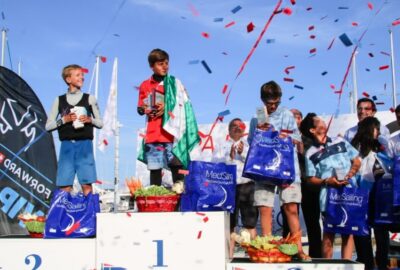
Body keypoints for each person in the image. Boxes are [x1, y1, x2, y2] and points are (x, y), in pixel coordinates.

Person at [248, 81, 310, 261]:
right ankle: (267, 247)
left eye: (276, 102)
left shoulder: (288, 115)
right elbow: (252, 143)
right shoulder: (256, 117)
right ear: (262, 99)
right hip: (263, 168)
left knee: (291, 208)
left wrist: (286, 137)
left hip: (287, 168)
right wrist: (260, 132)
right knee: (265, 208)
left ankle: (298, 249)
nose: (273, 106)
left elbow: (298, 142)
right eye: (269, 103)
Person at [137, 48, 199, 190]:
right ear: (151, 66)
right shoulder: (145, 85)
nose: (165, 66)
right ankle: (157, 196)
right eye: (160, 64)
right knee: (155, 168)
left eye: (166, 63)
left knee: (177, 165)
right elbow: (140, 109)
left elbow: (184, 103)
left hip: (172, 134)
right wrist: (147, 109)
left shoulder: (174, 83)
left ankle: (180, 194)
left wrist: (167, 106)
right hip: (153, 135)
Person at [302, 113, 361, 259]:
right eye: (319, 121)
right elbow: (310, 179)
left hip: (349, 192)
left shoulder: (339, 140)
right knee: (329, 233)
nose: (324, 122)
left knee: (348, 232)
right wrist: (326, 181)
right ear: (312, 130)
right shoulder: (310, 152)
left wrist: (350, 175)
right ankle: (327, 266)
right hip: (328, 196)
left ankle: (347, 266)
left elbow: (357, 160)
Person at [45, 64, 103, 195]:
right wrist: (64, 120)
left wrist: (90, 120)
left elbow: (100, 123)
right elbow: (48, 126)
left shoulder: (90, 98)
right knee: (65, 187)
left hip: (85, 146)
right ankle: (64, 215)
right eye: (78, 75)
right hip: (67, 147)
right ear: (68, 79)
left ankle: (91, 215)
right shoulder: (58, 100)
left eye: (82, 75)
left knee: (87, 185)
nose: (82, 77)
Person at [351, 116, 391, 270]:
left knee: (381, 230)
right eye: (376, 129)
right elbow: (354, 170)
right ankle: (366, 263)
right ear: (370, 129)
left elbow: (389, 163)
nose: (378, 132)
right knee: (362, 231)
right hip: (362, 193)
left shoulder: (381, 145)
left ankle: (382, 263)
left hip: (380, 194)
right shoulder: (355, 148)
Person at [214, 118, 258, 257]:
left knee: (250, 224)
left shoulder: (250, 144)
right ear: (229, 130)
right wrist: (230, 158)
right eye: (234, 125)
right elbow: (215, 165)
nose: (237, 128)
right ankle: (229, 257)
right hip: (229, 188)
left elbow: (256, 163)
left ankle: (254, 257)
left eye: (240, 126)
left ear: (244, 129)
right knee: (229, 225)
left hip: (248, 186)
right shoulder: (222, 146)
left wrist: (243, 153)